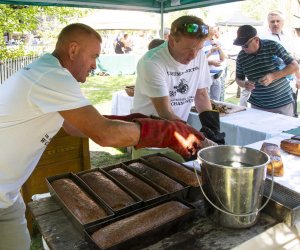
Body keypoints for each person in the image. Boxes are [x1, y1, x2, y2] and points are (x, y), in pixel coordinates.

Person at [0, 23, 212, 250]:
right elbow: (103, 134)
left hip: (7, 192)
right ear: (73, 50)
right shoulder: (52, 76)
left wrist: (136, 121)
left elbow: (75, 126)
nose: (94, 65)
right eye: (93, 56)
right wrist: (168, 133)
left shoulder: (48, 70)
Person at [131, 15, 225, 162]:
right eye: (188, 48)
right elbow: (165, 112)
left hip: (178, 134)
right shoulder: (152, 62)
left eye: (198, 48)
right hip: (150, 137)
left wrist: (212, 129)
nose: (193, 55)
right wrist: (199, 139)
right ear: (171, 40)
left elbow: (201, 94)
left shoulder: (198, 55)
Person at [233, 25, 299, 116]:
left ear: (256, 40)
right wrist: (244, 84)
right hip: (258, 106)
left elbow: (294, 66)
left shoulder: (272, 46)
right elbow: (238, 79)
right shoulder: (241, 57)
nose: (243, 49)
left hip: (282, 103)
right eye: (241, 45)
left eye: (245, 45)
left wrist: (273, 76)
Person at [203, 26, 227, 101]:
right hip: (206, 76)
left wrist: (219, 48)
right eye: (211, 28)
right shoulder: (201, 43)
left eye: (214, 29)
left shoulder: (217, 42)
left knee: (216, 99)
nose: (214, 29)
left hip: (217, 76)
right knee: (205, 99)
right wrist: (211, 62)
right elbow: (199, 60)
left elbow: (223, 58)